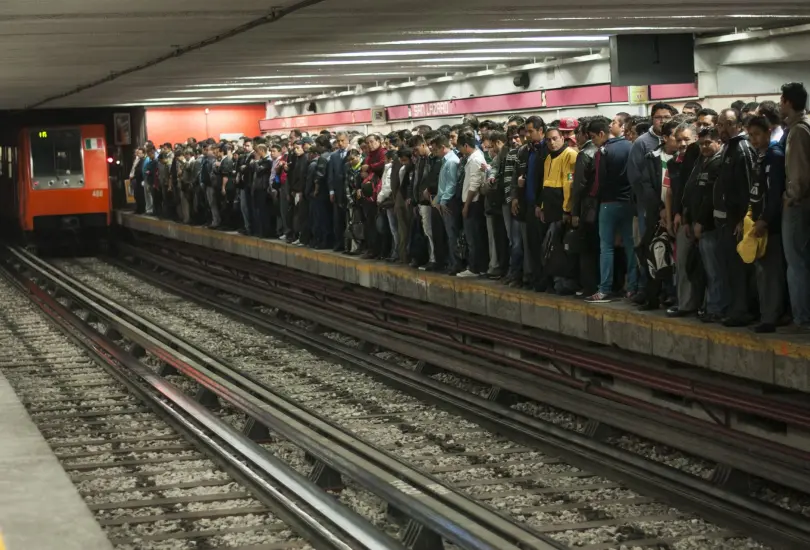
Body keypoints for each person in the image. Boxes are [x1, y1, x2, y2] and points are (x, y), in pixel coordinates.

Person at [628, 103, 678, 304]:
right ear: (652, 118)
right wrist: (655, 208)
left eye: (667, 117)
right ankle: (648, 290)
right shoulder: (642, 143)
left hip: (672, 209)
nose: (663, 120)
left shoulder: (681, 145)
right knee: (650, 249)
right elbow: (637, 179)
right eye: (659, 117)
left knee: (670, 252)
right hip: (649, 209)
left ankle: (669, 291)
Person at [583, 117, 636, 303]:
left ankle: (604, 289)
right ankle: (632, 287)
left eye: (593, 137)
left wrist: (591, 197)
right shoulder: (631, 146)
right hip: (629, 204)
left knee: (606, 247)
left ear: (601, 134)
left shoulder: (603, 152)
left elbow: (598, 182)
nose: (593, 141)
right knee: (631, 245)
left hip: (608, 204)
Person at [712, 108, 757, 326]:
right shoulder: (728, 149)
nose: (724, 129)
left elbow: (749, 186)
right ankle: (734, 308)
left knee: (739, 269)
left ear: (739, 125)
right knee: (728, 267)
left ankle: (742, 311)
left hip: (738, 221)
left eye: (729, 124)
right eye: (720, 124)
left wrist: (743, 219)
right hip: (725, 219)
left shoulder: (742, 148)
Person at [747, 115, 787, 333]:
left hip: (771, 225)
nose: (753, 139)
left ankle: (771, 316)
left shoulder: (774, 156)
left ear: (768, 132)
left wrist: (765, 219)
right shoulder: (759, 156)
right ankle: (765, 313)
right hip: (758, 221)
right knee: (761, 271)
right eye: (751, 135)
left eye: (757, 135)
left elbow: (774, 193)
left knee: (770, 272)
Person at [780, 82, 810, 331]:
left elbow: (798, 173)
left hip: (799, 205)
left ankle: (802, 317)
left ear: (788, 102)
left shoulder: (798, 131)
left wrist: (791, 197)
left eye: (781, 101)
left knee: (796, 262)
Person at [540, 126, 579, 293]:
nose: (552, 142)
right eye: (548, 140)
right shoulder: (548, 158)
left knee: (562, 249)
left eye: (555, 138)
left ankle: (565, 284)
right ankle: (557, 282)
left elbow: (569, 184)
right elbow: (546, 182)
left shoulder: (570, 155)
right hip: (549, 208)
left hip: (562, 210)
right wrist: (542, 207)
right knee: (552, 247)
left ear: (562, 138)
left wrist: (567, 210)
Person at [691, 128, 724, 322]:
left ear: (718, 142)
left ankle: (716, 308)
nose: (704, 147)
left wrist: (701, 222)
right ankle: (710, 305)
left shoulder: (717, 164)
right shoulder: (702, 163)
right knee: (707, 270)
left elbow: (710, 197)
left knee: (715, 270)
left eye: (708, 143)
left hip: (710, 226)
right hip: (699, 224)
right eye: (701, 143)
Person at [457, 134, 488, 277]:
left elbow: (474, 184)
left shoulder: (475, 160)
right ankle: (477, 266)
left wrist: (466, 205)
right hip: (472, 202)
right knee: (474, 236)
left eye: (460, 147)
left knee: (474, 237)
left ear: (465, 145)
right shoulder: (474, 158)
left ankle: (476, 268)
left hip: (473, 203)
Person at [432, 134, 461, 274]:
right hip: (443, 201)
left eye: (436, 149)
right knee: (449, 234)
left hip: (449, 203)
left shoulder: (451, 162)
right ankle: (452, 262)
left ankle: (456, 263)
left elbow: (451, 184)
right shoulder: (445, 161)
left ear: (443, 147)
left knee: (452, 234)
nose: (434, 153)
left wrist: (443, 201)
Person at [483, 131, 510, 279]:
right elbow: (494, 170)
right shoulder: (499, 157)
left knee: (508, 239)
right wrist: (491, 175)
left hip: (504, 202)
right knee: (501, 238)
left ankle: (506, 268)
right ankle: (504, 268)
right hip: (498, 203)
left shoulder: (508, 154)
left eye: (493, 145)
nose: (492, 149)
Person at [327, 132, 350, 252]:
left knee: (349, 219)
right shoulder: (334, 156)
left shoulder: (352, 153)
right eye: (338, 141)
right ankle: (339, 243)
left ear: (347, 140)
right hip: (337, 191)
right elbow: (330, 174)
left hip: (349, 190)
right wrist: (331, 191)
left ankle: (349, 244)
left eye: (342, 141)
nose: (340, 143)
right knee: (338, 220)